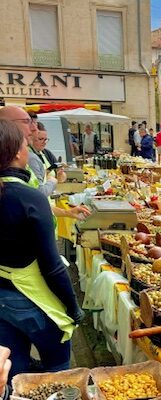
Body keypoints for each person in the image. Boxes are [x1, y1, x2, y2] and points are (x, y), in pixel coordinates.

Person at [0, 120, 84, 381]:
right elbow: (52, 266)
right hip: (32, 300)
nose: (28, 150)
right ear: (16, 152)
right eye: (26, 144)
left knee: (14, 372)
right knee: (58, 370)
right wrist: (72, 308)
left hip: (2, 298)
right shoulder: (29, 197)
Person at [0, 107, 89, 221]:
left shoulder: (34, 158)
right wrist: (52, 181)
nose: (33, 129)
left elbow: (33, 204)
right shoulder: (22, 168)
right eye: (27, 122)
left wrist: (66, 212)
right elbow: (35, 198)